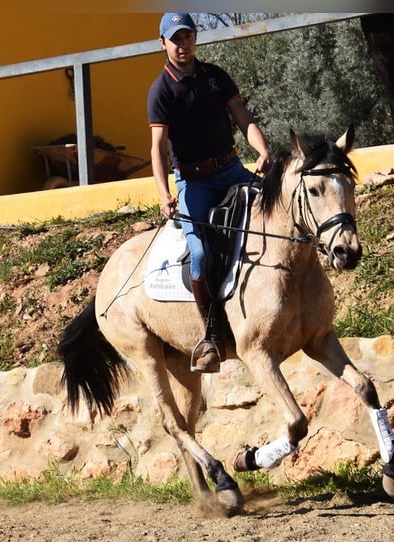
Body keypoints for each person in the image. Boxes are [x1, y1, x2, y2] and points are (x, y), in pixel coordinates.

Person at [147, 12, 273, 373]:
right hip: (194, 182)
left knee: (281, 214)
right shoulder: (161, 91)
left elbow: (243, 118)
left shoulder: (216, 76)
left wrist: (262, 150)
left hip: (232, 170)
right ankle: (212, 336)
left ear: (195, 39)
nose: (182, 44)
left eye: (187, 36)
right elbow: (157, 149)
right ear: (163, 44)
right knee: (200, 255)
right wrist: (163, 193)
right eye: (175, 39)